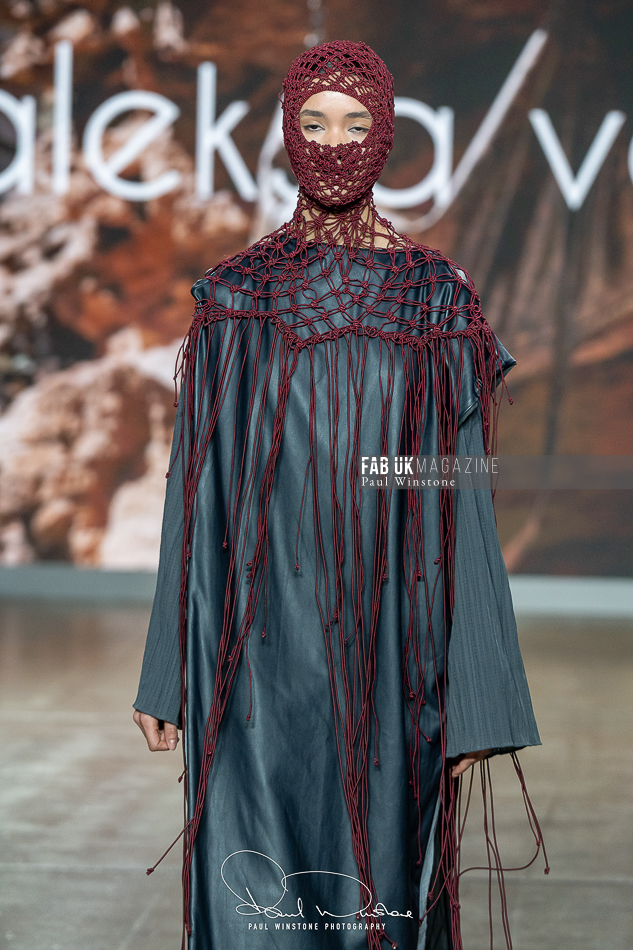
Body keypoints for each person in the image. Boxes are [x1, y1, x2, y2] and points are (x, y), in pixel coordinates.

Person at [133, 40, 544, 950]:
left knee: (379, 909)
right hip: (252, 659)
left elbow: (459, 492)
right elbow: (194, 491)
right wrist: (166, 669)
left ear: (386, 135)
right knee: (255, 913)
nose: (332, 144)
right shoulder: (235, 298)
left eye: (355, 124)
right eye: (313, 123)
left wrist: (477, 698)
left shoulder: (436, 300)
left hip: (393, 652)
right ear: (287, 133)